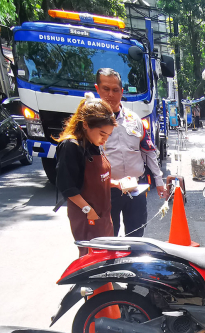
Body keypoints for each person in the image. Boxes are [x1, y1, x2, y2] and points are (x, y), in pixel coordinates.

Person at [55, 94, 137, 256]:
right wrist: (88, 210)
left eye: (108, 135)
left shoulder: (93, 144)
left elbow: (98, 179)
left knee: (105, 254)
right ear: (85, 125)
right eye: (102, 134)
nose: (104, 140)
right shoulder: (71, 147)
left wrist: (116, 183)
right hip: (88, 216)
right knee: (92, 257)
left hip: (103, 214)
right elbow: (68, 187)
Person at [94, 68, 166, 238]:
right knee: (108, 238)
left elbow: (149, 152)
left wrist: (159, 181)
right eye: (105, 89)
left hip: (136, 188)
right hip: (107, 190)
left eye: (115, 90)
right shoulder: (91, 122)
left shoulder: (134, 120)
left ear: (122, 92)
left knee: (136, 236)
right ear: (97, 89)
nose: (110, 94)